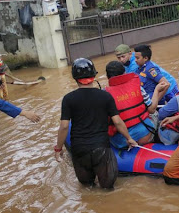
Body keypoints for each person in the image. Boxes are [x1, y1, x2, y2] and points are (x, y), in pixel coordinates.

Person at [55, 58, 137, 189]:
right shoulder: (105, 96)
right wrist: (129, 138)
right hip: (101, 147)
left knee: (87, 188)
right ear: (94, 76)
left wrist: (58, 148)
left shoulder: (68, 99)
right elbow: (117, 121)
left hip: (79, 149)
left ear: (75, 78)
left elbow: (64, 126)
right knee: (108, 188)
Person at [105, 61, 163, 148]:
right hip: (145, 136)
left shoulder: (105, 94)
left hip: (121, 141)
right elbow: (151, 109)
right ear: (124, 72)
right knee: (155, 113)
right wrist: (157, 90)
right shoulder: (138, 87)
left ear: (107, 77)